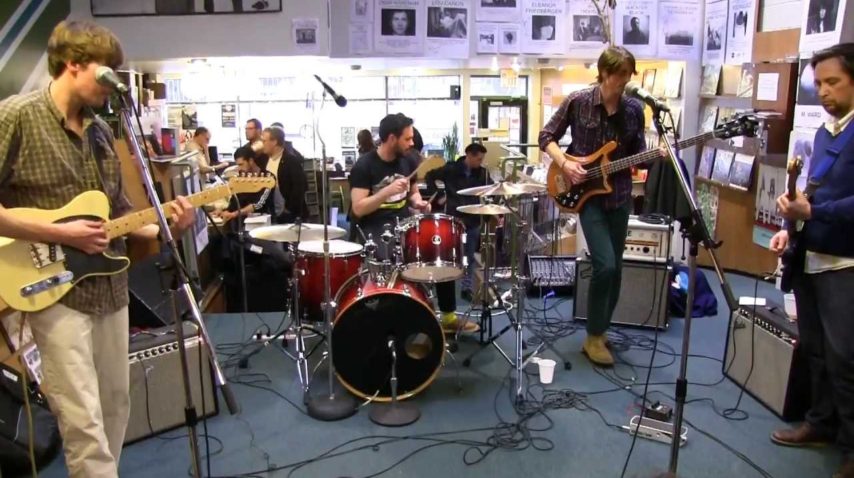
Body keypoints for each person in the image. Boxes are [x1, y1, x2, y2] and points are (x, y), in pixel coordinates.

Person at [0, 21, 195, 477]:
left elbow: (120, 215)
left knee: (114, 404)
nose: (113, 86)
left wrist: (167, 224)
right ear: (73, 64)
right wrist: (63, 234)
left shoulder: (101, 132)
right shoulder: (16, 116)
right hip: (54, 290)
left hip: (110, 287)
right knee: (82, 417)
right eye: (106, 73)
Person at [770, 43, 854, 478]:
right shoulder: (825, 133)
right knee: (816, 351)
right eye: (818, 83)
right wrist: (791, 225)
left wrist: (815, 212)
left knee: (846, 359)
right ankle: (821, 423)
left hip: (846, 261)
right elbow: (813, 193)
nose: (823, 91)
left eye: (833, 82)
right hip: (811, 254)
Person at [539, 46, 652, 367]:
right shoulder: (578, 101)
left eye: (628, 74)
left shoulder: (634, 110)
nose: (624, 80)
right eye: (619, 74)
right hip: (587, 197)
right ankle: (592, 335)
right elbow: (546, 136)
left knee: (617, 270)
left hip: (619, 195)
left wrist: (651, 159)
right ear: (604, 73)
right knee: (606, 265)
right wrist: (565, 163)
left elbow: (639, 153)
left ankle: (600, 332)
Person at [350, 113, 477, 333]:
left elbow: (413, 193)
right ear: (392, 138)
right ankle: (394, 318)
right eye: (407, 138)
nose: (411, 143)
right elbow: (358, 208)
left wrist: (419, 203)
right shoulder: (365, 165)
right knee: (394, 255)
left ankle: (447, 317)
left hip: (404, 223)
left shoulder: (407, 160)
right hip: (374, 227)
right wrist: (386, 192)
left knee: (440, 249)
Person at [425, 143, 492, 301]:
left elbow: (492, 189)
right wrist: (439, 194)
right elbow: (429, 176)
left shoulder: (483, 173)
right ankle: (441, 284)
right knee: (446, 254)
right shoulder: (451, 169)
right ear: (469, 155)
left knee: (469, 256)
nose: (480, 162)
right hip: (454, 219)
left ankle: (466, 287)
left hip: (473, 220)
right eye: (479, 159)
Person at [261, 126, 309, 224]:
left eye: (264, 141)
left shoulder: (291, 161)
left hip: (289, 215)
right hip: (270, 214)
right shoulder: (263, 160)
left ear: (274, 142)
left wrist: (289, 209)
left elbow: (300, 187)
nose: (262, 144)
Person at [216, 146, 273, 225]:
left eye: (241, 164)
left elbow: (259, 204)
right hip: (240, 222)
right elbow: (234, 201)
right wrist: (224, 211)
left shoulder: (268, 177)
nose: (239, 168)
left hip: (260, 222)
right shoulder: (241, 177)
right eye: (238, 165)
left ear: (251, 161)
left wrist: (234, 214)